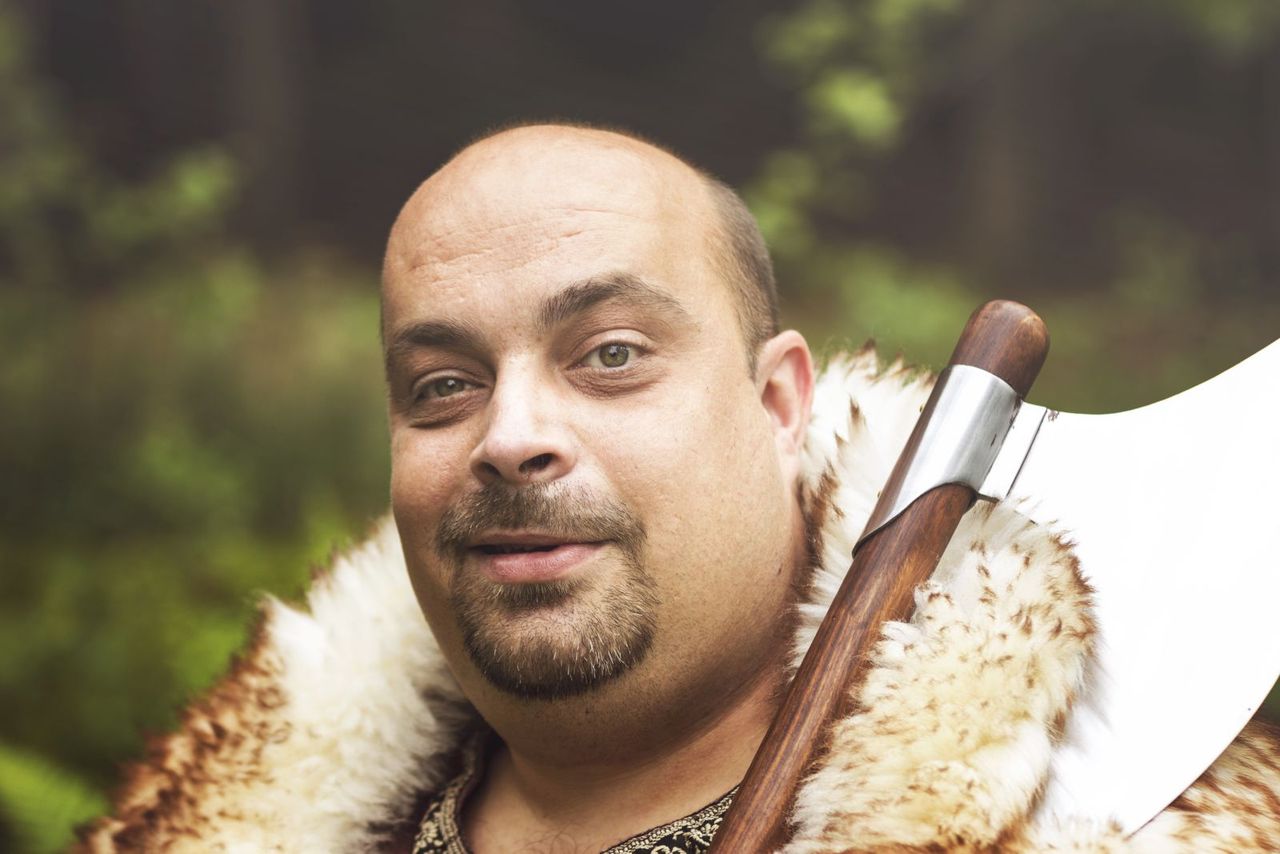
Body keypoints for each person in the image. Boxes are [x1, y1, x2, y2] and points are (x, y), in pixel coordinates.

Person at [82, 125, 1280, 853]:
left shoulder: (1129, 827)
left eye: (608, 353)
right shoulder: (212, 825)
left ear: (777, 404)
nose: (510, 436)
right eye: (442, 384)